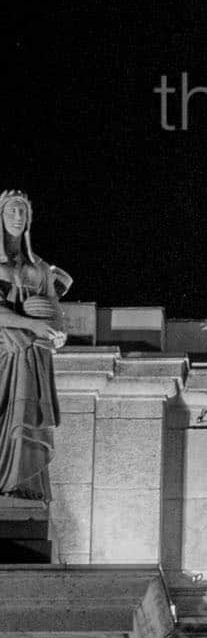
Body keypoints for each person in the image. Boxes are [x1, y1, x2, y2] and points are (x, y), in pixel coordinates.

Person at [0, 190, 71, 498]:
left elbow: (54, 314)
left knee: (25, 420)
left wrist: (56, 334)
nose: (17, 217)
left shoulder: (39, 270)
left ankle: (21, 486)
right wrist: (32, 324)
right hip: (4, 351)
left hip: (31, 358)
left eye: (22, 213)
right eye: (11, 212)